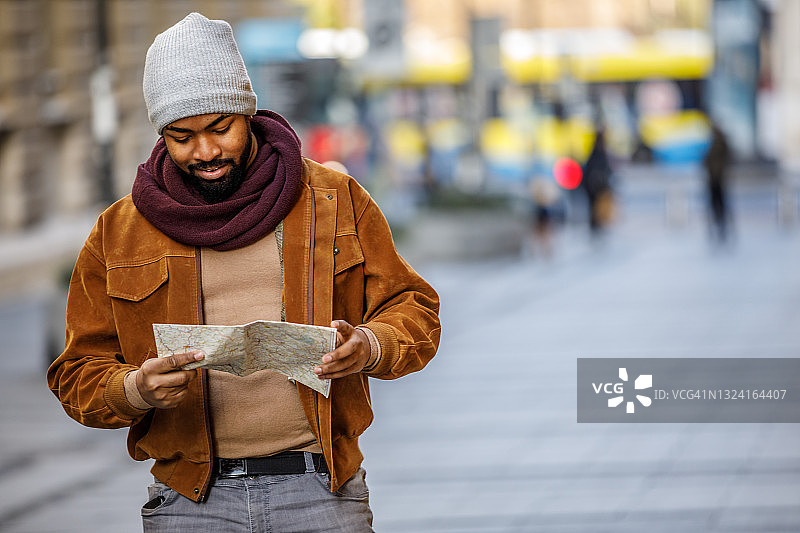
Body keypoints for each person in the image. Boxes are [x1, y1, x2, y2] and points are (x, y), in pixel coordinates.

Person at [46, 13, 440, 532]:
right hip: (190, 503)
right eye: (182, 137)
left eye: (219, 128)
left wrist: (367, 345)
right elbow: (76, 372)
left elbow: (415, 312)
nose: (205, 152)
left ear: (247, 113)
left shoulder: (333, 200)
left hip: (320, 490)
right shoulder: (120, 231)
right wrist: (135, 388)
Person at [703, 122, 732, 244]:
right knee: (719, 204)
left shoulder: (717, 145)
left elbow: (711, 162)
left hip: (716, 179)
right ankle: (720, 226)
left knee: (718, 204)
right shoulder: (720, 144)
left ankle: (720, 225)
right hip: (716, 178)